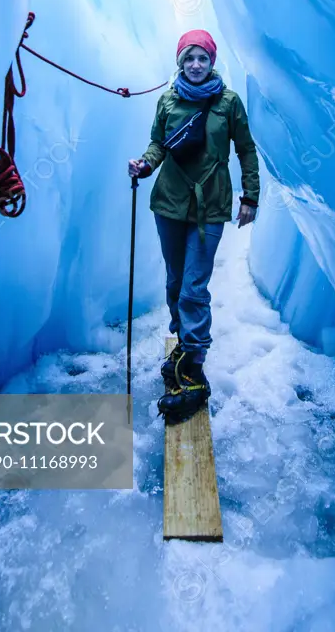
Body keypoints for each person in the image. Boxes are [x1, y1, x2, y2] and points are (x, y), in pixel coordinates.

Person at [128, 29, 260, 421]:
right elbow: (158, 145)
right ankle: (184, 344)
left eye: (202, 58)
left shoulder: (229, 103)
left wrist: (250, 196)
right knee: (174, 282)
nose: (196, 65)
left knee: (193, 287)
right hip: (168, 203)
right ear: (180, 62)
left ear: (212, 61)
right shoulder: (168, 100)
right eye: (189, 58)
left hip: (210, 205)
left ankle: (194, 372)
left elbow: (246, 149)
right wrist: (145, 164)